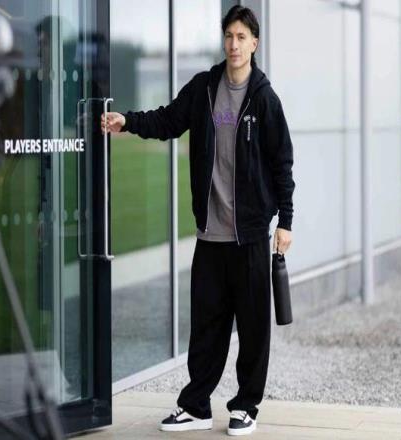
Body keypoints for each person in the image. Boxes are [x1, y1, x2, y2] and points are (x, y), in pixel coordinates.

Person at [101, 5, 295, 436]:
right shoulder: (205, 88)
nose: (234, 44)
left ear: (254, 43)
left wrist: (286, 221)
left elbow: (282, 163)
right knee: (206, 326)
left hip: (249, 237)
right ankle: (196, 406)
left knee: (253, 328)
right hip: (210, 235)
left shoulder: (265, 100)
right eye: (229, 36)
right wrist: (127, 122)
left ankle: (246, 406)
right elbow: (168, 119)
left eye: (242, 37)